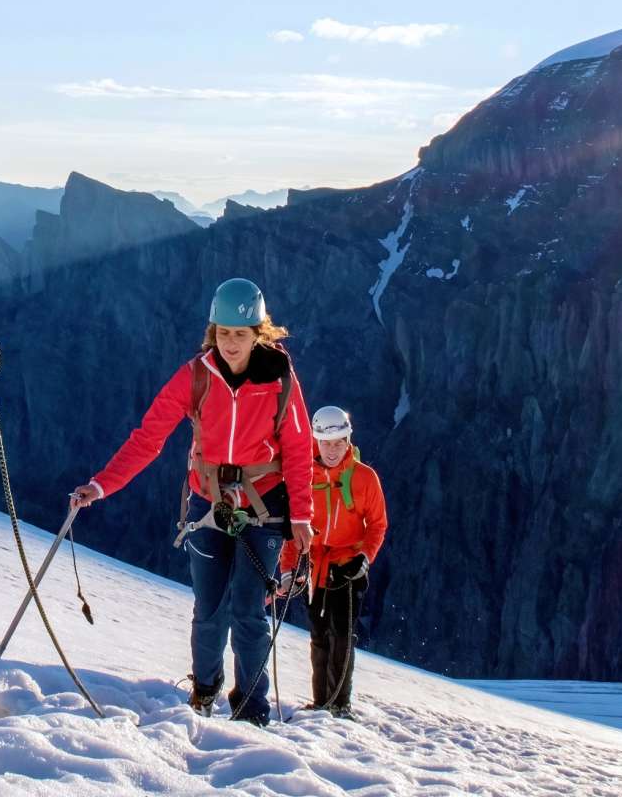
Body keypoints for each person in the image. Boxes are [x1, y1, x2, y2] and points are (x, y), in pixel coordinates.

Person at [69, 278, 312, 724]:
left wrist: (302, 517)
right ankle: (204, 690)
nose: (231, 343)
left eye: (240, 334)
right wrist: (101, 485)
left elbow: (297, 448)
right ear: (212, 331)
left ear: (259, 333)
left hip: (265, 507)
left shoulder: (280, 379)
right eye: (223, 333)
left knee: (249, 611)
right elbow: (149, 437)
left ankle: (252, 708)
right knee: (209, 608)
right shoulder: (196, 375)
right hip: (208, 503)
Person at [281, 404, 386, 718]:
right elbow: (293, 527)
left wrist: (363, 559)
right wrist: (289, 569)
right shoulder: (304, 477)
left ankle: (338, 704)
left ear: (347, 441)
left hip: (348, 566)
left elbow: (378, 525)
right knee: (319, 632)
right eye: (326, 443)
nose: (331, 450)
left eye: (338, 443)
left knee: (341, 634)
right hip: (317, 566)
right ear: (316, 441)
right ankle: (321, 701)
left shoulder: (364, 478)